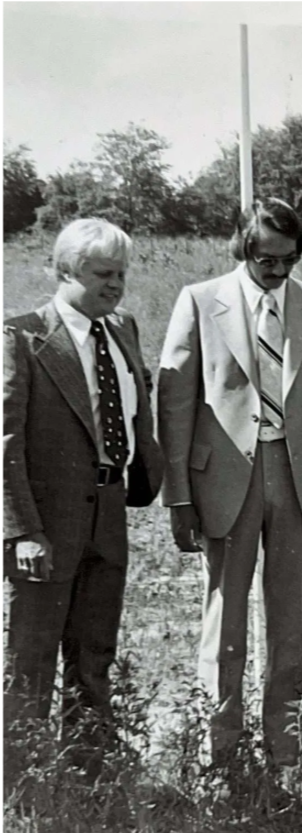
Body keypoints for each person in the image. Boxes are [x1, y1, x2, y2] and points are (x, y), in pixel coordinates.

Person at [157, 199, 302, 783]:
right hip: (224, 483)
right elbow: (176, 403)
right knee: (227, 619)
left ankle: (284, 756)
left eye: (289, 260)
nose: (277, 271)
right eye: (267, 259)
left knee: (290, 622)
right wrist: (180, 497)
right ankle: (221, 757)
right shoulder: (199, 300)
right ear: (244, 247)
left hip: (296, 480)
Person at [3, 218, 164, 770]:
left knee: (94, 655)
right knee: (31, 658)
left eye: (122, 273)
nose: (116, 284)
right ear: (65, 270)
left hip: (109, 513)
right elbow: (6, 446)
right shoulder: (22, 336)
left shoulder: (123, 330)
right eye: (102, 273)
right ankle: (21, 785)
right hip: (47, 525)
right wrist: (22, 530)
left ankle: (90, 772)